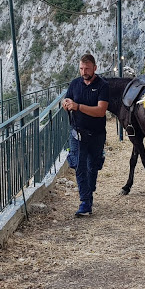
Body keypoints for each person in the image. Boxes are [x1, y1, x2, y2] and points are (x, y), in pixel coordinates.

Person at [62, 54, 109, 216]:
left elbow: (101, 111)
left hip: (96, 134)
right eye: (81, 68)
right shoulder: (75, 84)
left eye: (87, 68)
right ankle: (85, 202)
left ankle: (89, 191)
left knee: (92, 166)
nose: (84, 72)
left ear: (95, 68)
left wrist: (77, 106)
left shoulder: (103, 86)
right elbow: (67, 99)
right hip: (77, 133)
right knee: (79, 166)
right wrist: (66, 104)